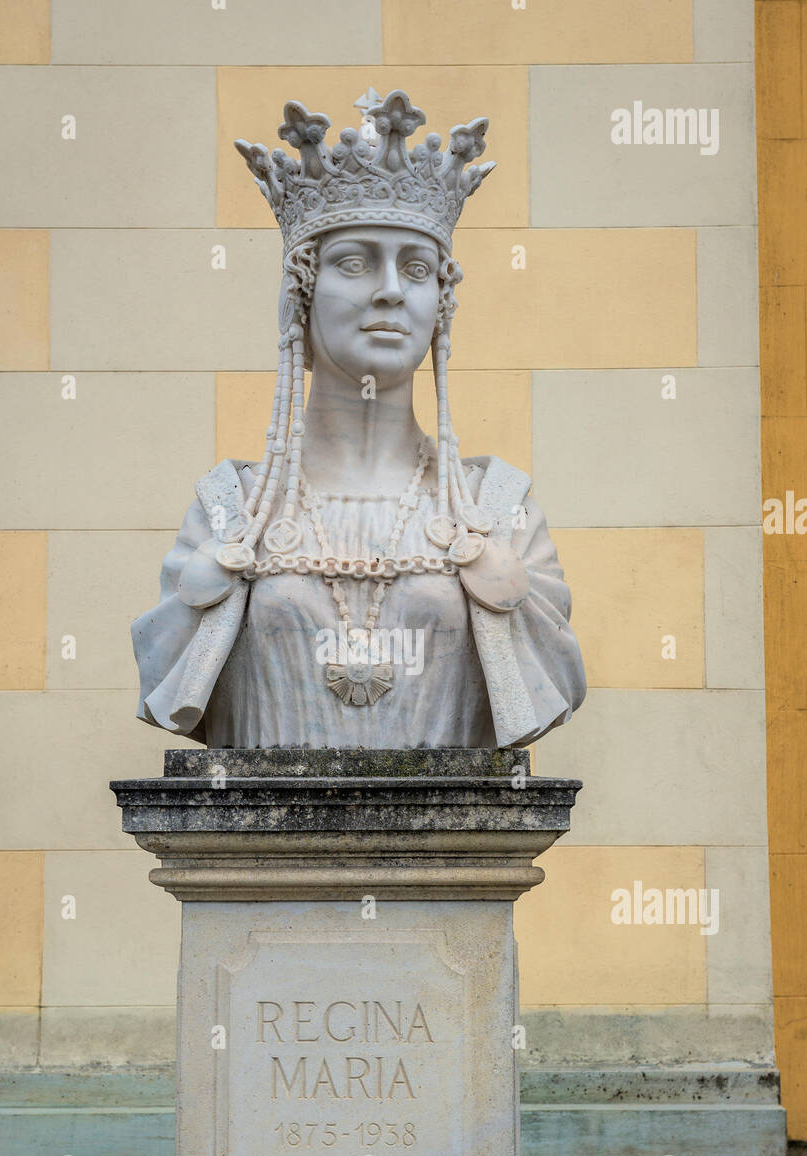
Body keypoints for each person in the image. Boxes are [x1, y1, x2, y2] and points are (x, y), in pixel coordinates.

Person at [132, 90, 585, 749]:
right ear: (302, 295)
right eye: (354, 261)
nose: (391, 289)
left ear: (441, 303)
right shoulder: (229, 511)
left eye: (417, 267)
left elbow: (551, 669)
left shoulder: (501, 509)